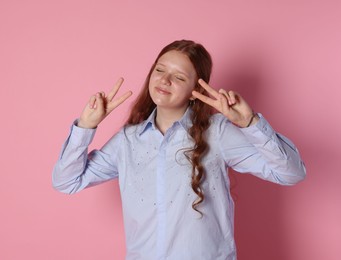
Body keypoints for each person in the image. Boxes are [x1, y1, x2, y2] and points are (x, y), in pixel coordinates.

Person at [52, 39, 306, 260]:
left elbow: (290, 173)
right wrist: (86, 126)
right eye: (160, 70)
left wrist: (250, 124)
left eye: (179, 77)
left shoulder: (217, 133)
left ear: (195, 91)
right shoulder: (127, 141)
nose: (165, 80)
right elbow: (67, 182)